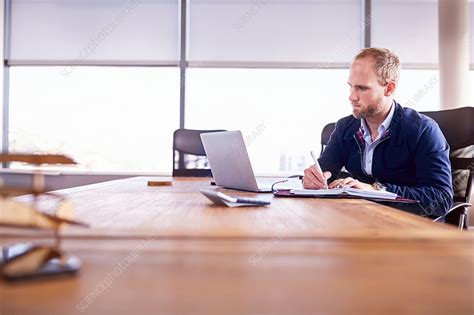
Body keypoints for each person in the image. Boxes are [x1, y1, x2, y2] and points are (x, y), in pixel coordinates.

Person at [303, 47, 453, 217]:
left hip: (409, 227)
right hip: (359, 221)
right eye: (350, 87)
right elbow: (326, 169)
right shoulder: (345, 127)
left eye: (362, 88)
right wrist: (314, 177)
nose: (351, 97)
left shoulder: (424, 131)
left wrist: (376, 190)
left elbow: (441, 199)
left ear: (389, 89)